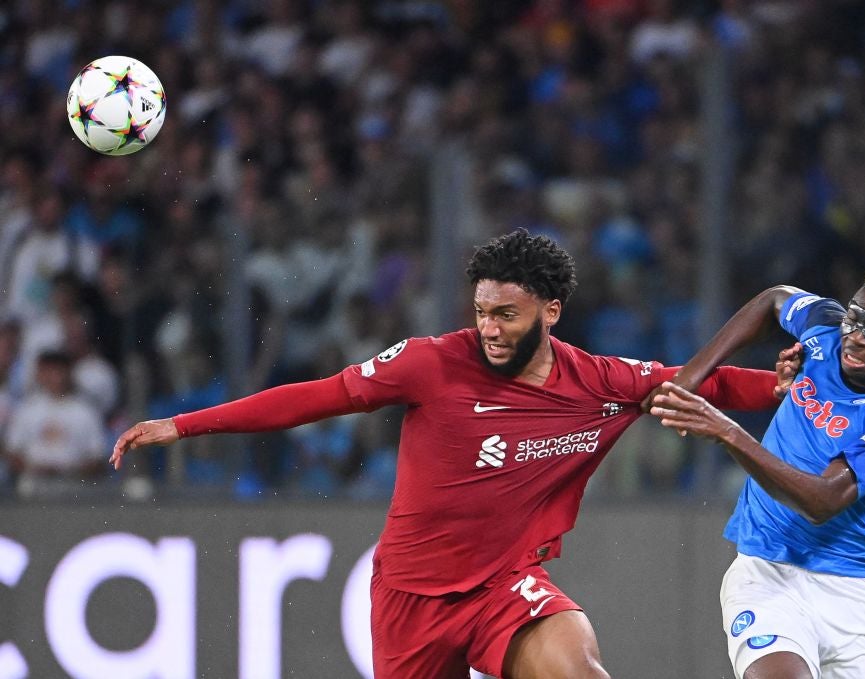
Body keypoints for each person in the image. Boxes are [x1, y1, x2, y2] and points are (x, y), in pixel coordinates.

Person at [110, 229, 793, 679]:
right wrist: (184, 425)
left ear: (551, 311)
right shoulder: (429, 363)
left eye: (508, 315)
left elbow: (702, 381)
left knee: (578, 665)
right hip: (411, 598)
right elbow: (317, 397)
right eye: (482, 312)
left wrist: (783, 387)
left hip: (504, 585)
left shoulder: (600, 383)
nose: (489, 329)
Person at [648, 267, 865, 679]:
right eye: (854, 318)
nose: (855, 336)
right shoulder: (824, 331)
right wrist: (689, 377)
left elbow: (820, 502)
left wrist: (728, 432)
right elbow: (773, 298)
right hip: (767, 573)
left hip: (851, 598)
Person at [4, 349, 108, 498]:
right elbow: (12, 452)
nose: (55, 378)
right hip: (33, 486)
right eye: (49, 372)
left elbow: (98, 457)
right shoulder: (27, 409)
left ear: (68, 373)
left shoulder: (85, 411)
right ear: (40, 374)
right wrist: (34, 468)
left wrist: (70, 471)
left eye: (59, 371)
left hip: (74, 487)